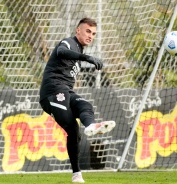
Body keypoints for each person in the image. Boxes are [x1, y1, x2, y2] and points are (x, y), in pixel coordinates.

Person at [39, 17, 116, 183]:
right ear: (77, 31)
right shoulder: (68, 43)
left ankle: (91, 126)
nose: (91, 36)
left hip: (66, 91)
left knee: (85, 106)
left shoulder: (79, 52)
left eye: (93, 33)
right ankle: (77, 172)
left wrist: (83, 57)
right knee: (72, 127)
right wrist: (87, 58)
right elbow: (61, 52)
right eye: (88, 31)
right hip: (51, 93)